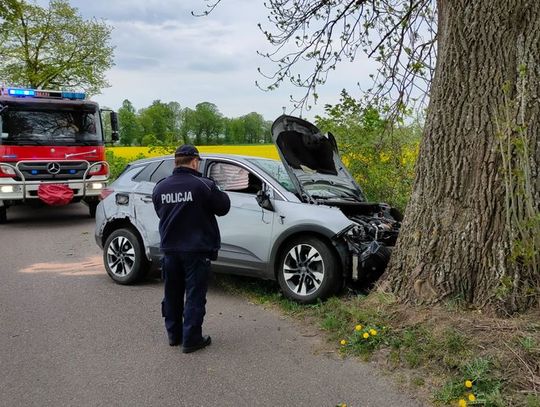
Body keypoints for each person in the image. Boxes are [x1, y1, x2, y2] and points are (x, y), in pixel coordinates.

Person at [152, 144, 230, 353]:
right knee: (194, 295)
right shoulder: (202, 185)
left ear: (175, 162)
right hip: (196, 251)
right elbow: (224, 207)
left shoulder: (160, 187)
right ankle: (192, 339)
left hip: (169, 250)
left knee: (172, 294)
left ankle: (174, 335)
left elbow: (160, 211)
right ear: (195, 162)